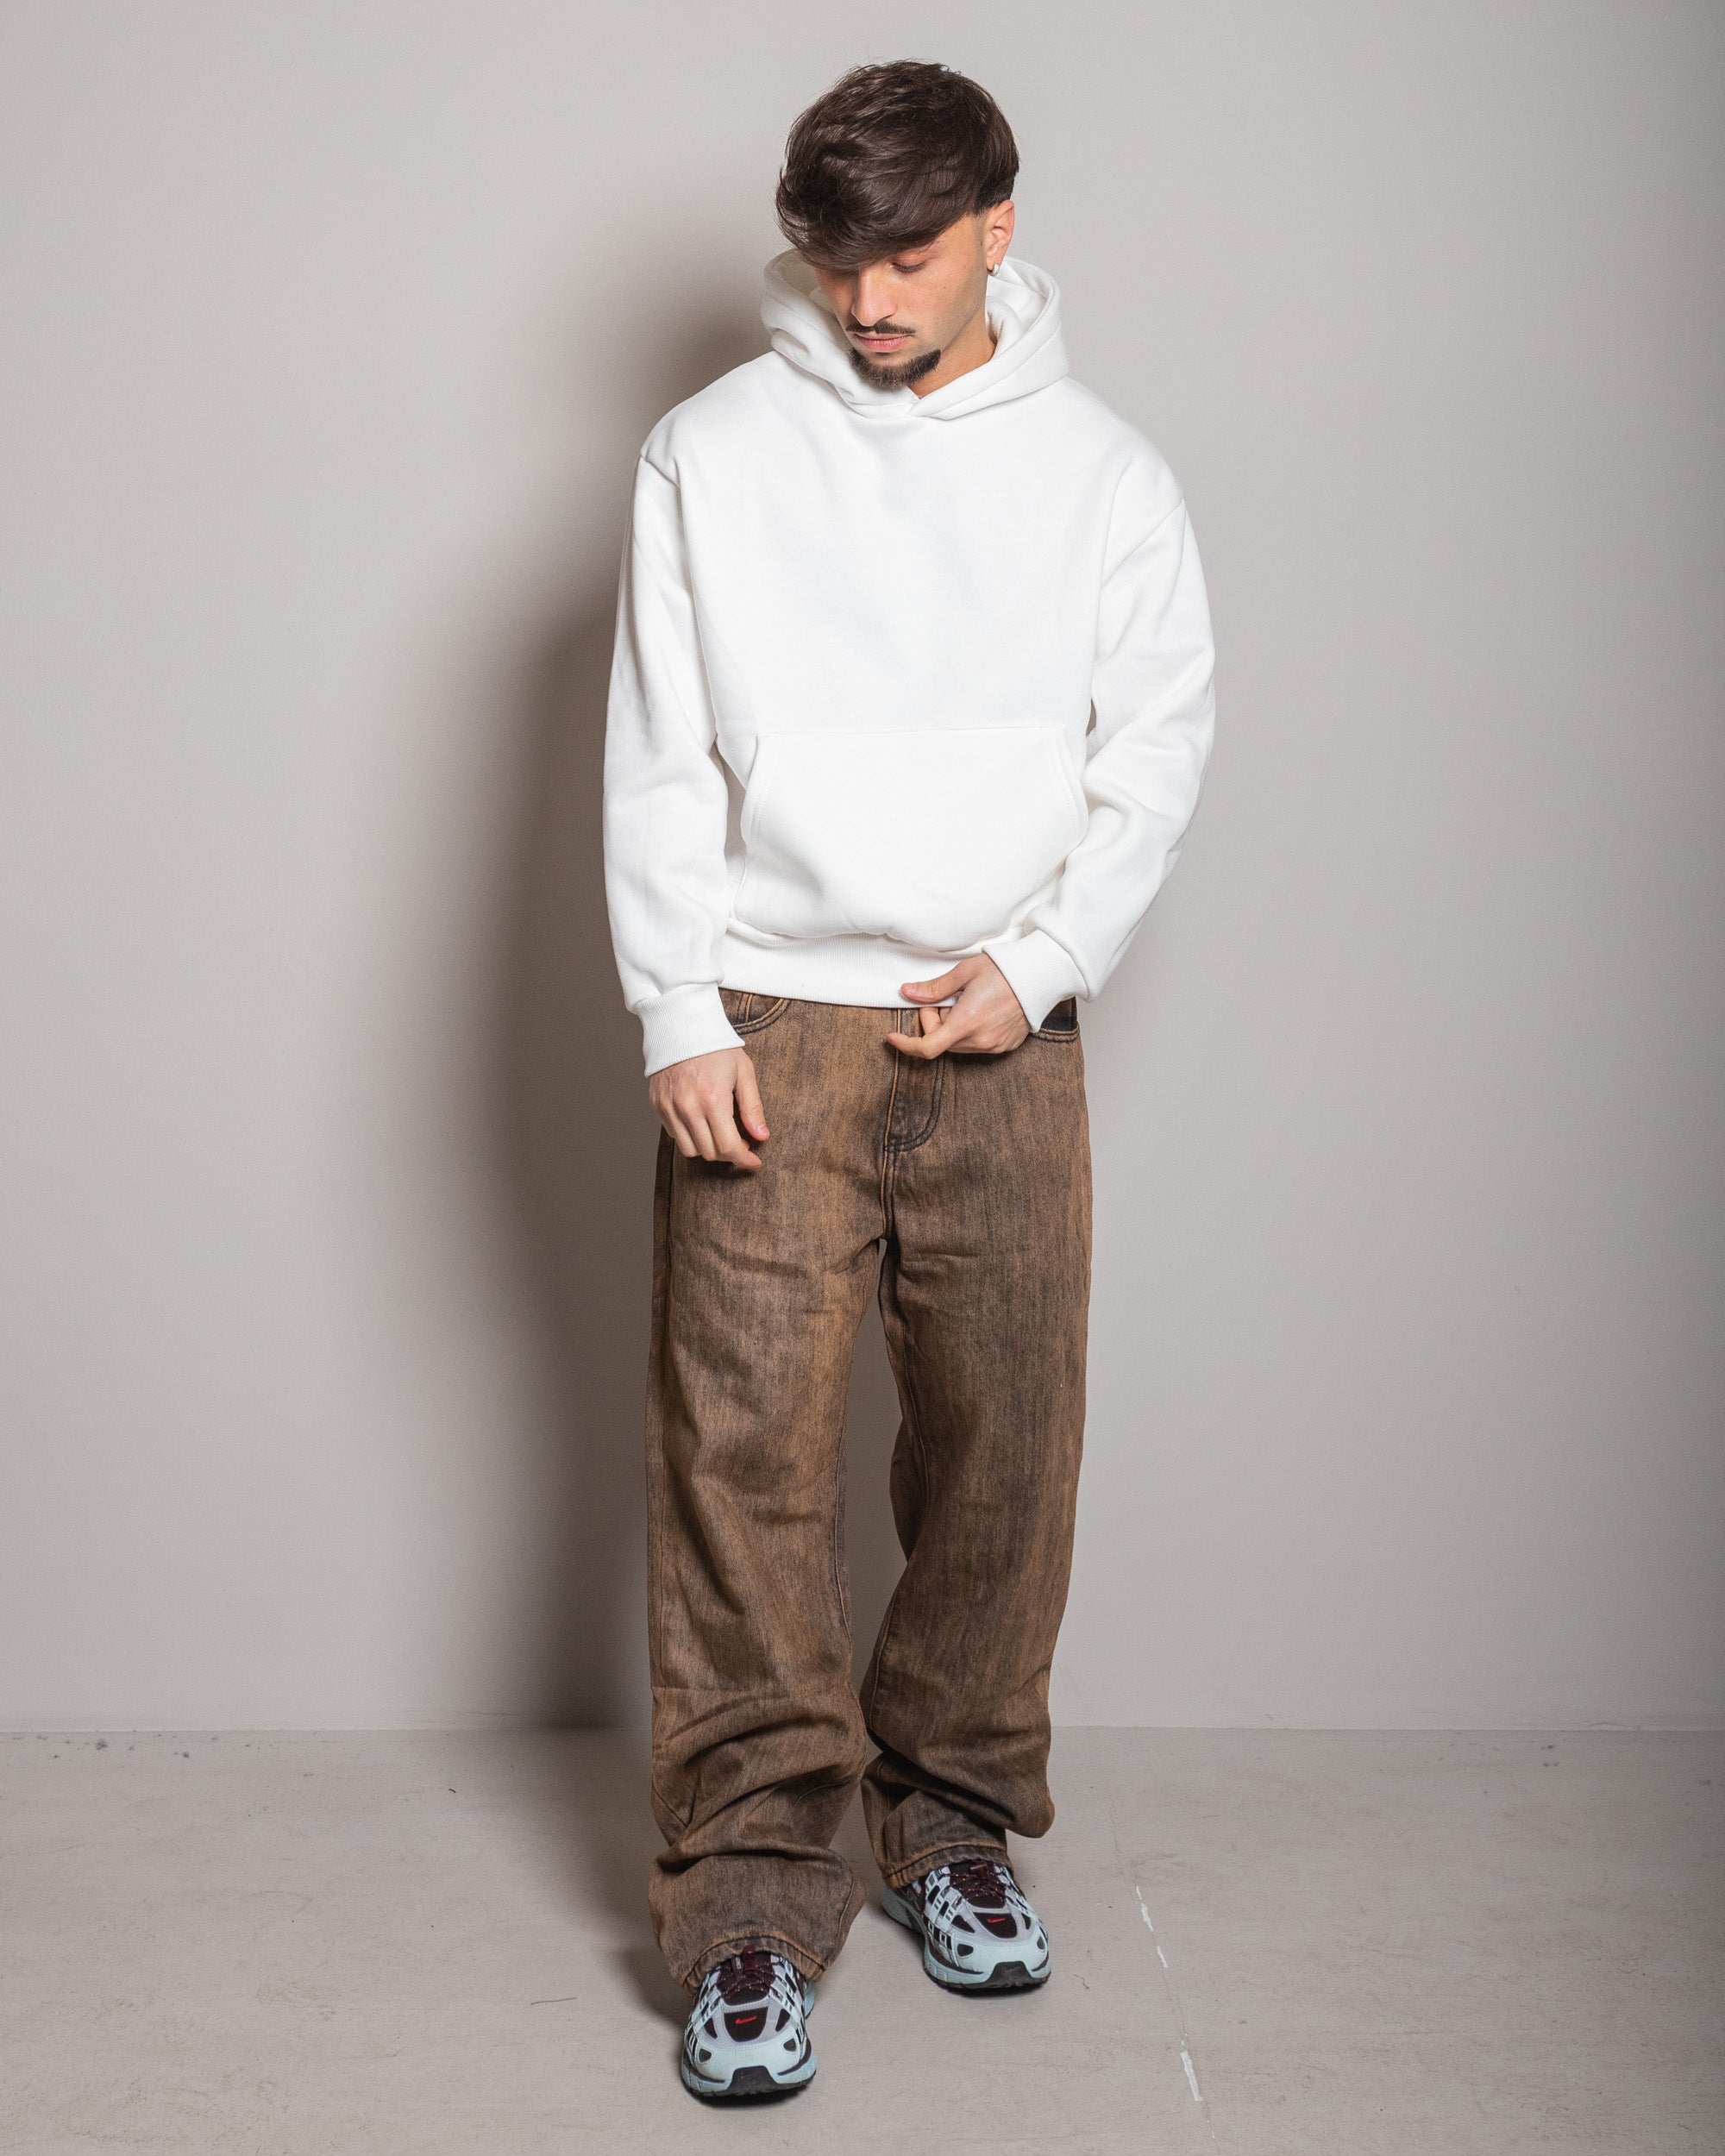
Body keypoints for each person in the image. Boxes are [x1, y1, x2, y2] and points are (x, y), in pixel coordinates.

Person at [602, 58, 1215, 2100]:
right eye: (835, 257)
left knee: (1003, 1449)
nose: (868, 300)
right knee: (739, 1466)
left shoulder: (1105, 473)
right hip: (768, 1019)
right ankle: (745, 1900)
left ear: (997, 228)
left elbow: (1156, 743)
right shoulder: (709, 449)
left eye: (911, 255)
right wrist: (677, 1007)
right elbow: (658, 743)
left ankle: (947, 1821)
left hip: (998, 1019)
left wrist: (1041, 960)